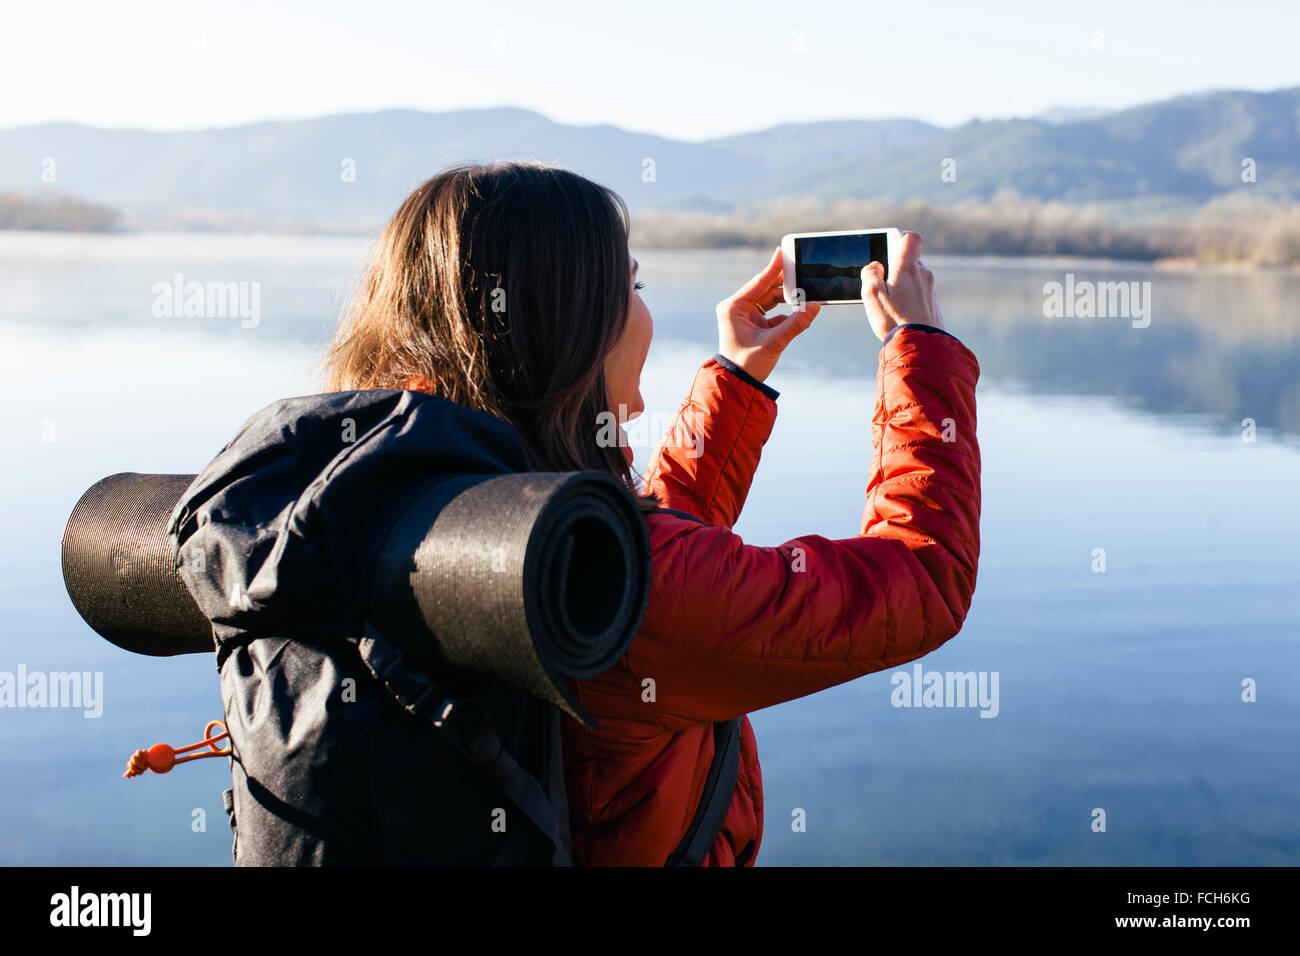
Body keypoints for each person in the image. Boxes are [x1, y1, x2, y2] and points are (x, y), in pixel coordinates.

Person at [325, 160, 981, 866]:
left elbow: (644, 562)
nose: (646, 311)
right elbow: (922, 579)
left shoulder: (402, 496)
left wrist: (736, 378)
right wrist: (921, 352)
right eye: (632, 286)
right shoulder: (621, 585)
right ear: (569, 330)